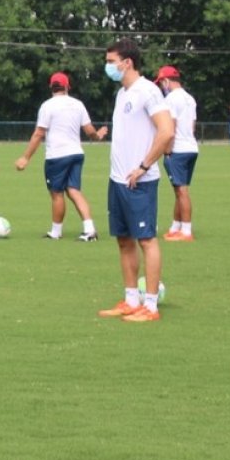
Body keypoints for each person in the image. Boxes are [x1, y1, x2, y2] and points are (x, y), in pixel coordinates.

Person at [97, 39, 174, 323]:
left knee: (147, 240)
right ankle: (131, 299)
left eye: (110, 61)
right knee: (124, 240)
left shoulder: (148, 91)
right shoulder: (122, 93)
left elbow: (166, 131)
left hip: (139, 181)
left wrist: (143, 166)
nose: (108, 66)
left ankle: (150, 306)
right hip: (117, 180)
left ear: (126, 62)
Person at [14, 71, 108, 241]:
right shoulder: (78, 104)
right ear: (66, 87)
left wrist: (25, 157)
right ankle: (90, 230)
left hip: (57, 156)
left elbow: (38, 133)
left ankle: (56, 232)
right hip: (76, 154)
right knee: (74, 191)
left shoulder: (47, 106)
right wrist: (98, 136)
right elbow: (89, 131)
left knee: (57, 194)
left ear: (51, 87)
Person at [156, 65, 198, 242]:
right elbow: (192, 125)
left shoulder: (171, 99)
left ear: (166, 81)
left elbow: (170, 126)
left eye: (161, 83)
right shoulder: (190, 98)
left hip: (178, 150)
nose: (161, 87)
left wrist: (167, 149)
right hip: (191, 147)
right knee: (180, 190)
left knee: (181, 192)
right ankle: (176, 226)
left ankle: (186, 231)